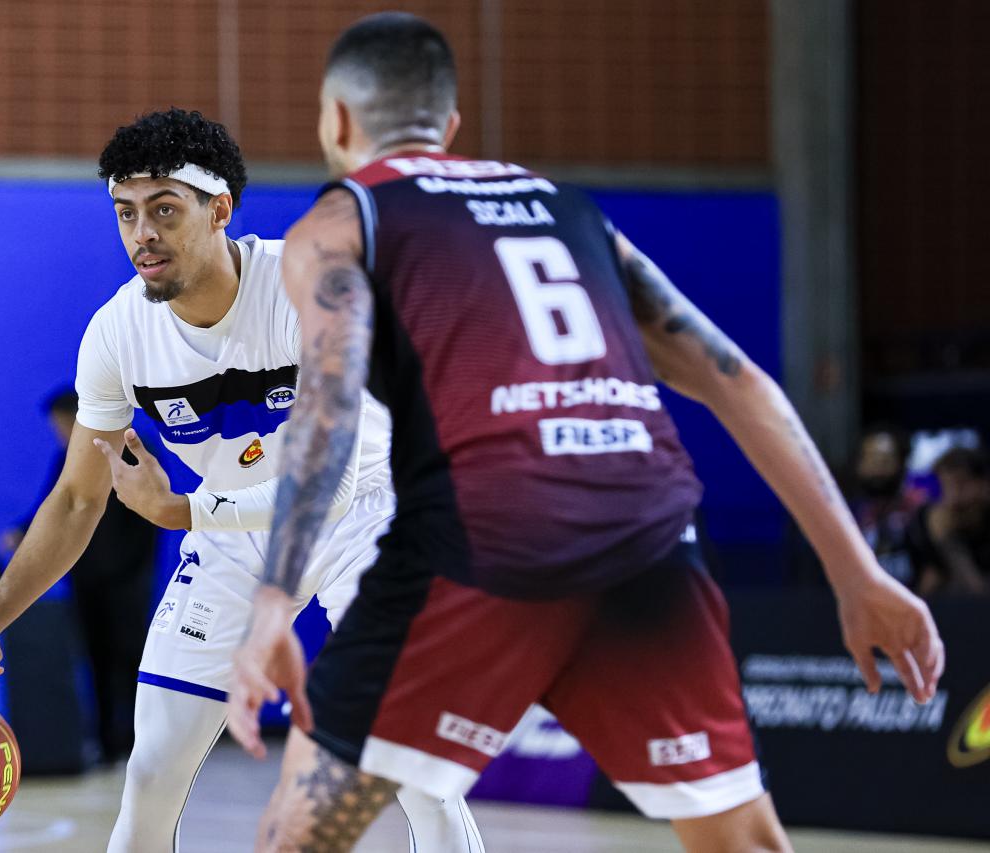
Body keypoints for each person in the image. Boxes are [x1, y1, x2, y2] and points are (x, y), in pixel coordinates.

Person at [227, 13, 945, 853]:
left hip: (483, 543)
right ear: (451, 127)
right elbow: (740, 381)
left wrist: (274, 603)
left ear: (336, 120)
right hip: (648, 541)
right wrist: (855, 574)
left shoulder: (341, 224)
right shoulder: (574, 216)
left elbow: (328, 408)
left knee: (295, 838)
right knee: (742, 841)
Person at [0, 108, 482, 852]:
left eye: (165, 211)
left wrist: (184, 508)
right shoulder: (117, 333)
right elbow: (79, 496)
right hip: (233, 536)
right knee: (149, 773)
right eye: (126, 213)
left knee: (414, 768)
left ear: (220, 211)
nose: (142, 233)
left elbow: (329, 489)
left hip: (366, 514)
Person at [6, 388, 159, 764]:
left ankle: (145, 741)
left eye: (61, 425)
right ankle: (107, 742)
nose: (59, 433)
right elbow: (57, 506)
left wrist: (129, 574)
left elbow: (149, 519)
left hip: (125, 583)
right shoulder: (68, 459)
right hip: (86, 581)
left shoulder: (130, 449)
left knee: (131, 659)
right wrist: (23, 533)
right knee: (95, 658)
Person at [848, 425, 924, 587]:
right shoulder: (846, 515)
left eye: (886, 460)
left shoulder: (920, 510)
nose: (878, 468)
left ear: (902, 463)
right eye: (871, 459)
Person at [908, 446, 990, 596]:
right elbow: (926, 591)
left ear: (985, 486)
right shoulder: (924, 523)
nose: (952, 499)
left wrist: (947, 542)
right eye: (945, 486)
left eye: (961, 485)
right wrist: (943, 541)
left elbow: (979, 594)